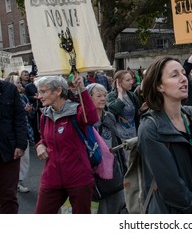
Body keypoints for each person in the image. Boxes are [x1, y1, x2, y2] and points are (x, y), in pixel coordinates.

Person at [138, 56, 192, 214]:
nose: (184, 78)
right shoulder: (150, 129)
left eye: (183, 73)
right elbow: (170, 188)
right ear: (159, 86)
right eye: (175, 75)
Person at [34, 74, 99, 214]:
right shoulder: (44, 116)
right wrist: (40, 145)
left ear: (58, 91)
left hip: (79, 178)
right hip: (51, 178)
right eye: (39, 92)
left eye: (43, 91)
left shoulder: (76, 112)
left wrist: (82, 89)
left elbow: (92, 118)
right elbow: (44, 138)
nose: (39, 96)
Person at [86, 83, 127, 213]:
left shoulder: (109, 117)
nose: (103, 98)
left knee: (117, 208)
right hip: (94, 173)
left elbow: (116, 144)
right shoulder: (85, 120)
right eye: (98, 96)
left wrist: (124, 168)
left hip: (114, 171)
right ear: (88, 98)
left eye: (104, 95)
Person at [0, 79, 28, 213]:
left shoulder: (9, 89)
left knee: (8, 195)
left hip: (8, 151)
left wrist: (21, 145)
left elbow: (20, 117)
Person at [5, 75, 34, 193]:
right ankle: (16, 182)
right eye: (17, 82)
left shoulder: (23, 97)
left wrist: (30, 111)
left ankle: (18, 180)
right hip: (12, 137)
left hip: (25, 132)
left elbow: (28, 117)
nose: (20, 85)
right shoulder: (5, 97)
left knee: (25, 159)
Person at [107, 70, 140, 158]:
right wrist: (120, 93)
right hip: (121, 137)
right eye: (128, 80)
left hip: (134, 134)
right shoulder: (111, 96)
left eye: (131, 79)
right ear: (119, 82)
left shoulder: (132, 95)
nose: (131, 82)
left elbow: (136, 114)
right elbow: (115, 110)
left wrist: (142, 110)